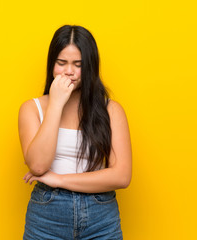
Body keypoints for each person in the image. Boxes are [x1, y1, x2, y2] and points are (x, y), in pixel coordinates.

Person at [18, 24, 132, 240]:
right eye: (61, 63)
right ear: (52, 64)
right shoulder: (32, 109)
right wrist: (56, 105)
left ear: (90, 67)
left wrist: (59, 179)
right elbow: (38, 165)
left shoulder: (111, 111)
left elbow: (122, 175)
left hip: (101, 216)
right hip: (47, 216)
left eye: (77, 65)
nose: (68, 71)